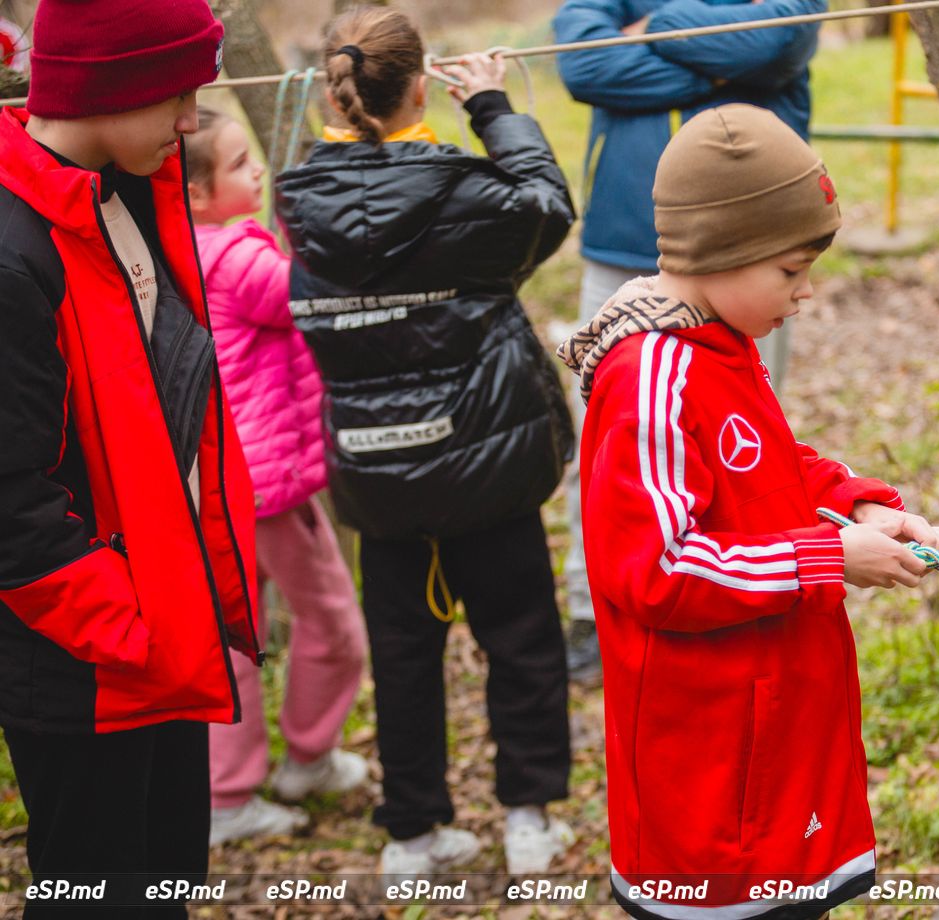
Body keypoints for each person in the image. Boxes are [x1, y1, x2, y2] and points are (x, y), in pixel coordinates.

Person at [559, 104, 939, 920]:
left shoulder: (718, 343)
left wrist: (863, 509)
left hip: (771, 735)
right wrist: (827, 558)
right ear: (722, 251)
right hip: (708, 763)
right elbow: (659, 570)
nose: (805, 294)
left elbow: (766, 467)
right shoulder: (652, 379)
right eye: (789, 272)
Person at [273, 6, 577, 878]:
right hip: (487, 468)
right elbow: (547, 208)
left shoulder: (299, 202)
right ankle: (528, 823)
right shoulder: (462, 193)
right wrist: (492, 105)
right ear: (419, 86)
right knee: (520, 638)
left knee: (404, 653)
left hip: (376, 475)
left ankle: (410, 836)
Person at [0, 0, 260, 914]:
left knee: (165, 884)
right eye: (179, 94)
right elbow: (10, 507)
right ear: (114, 82)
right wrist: (133, 627)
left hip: (160, 640)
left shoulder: (128, 192)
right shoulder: (12, 252)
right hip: (89, 665)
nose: (194, 121)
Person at [552, 0, 827, 684]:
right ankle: (593, 609)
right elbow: (585, 62)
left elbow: (774, 46)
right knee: (616, 439)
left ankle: (746, 580)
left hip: (753, 248)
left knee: (743, 432)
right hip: (623, 237)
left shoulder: (769, 285)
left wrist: (653, 31)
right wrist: (715, 70)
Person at [186, 106, 370, 847]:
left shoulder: (180, 249)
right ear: (195, 191)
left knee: (236, 637)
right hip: (272, 487)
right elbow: (306, 288)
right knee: (333, 626)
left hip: (219, 488)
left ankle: (227, 793)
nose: (257, 169)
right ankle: (308, 756)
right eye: (238, 164)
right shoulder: (234, 258)